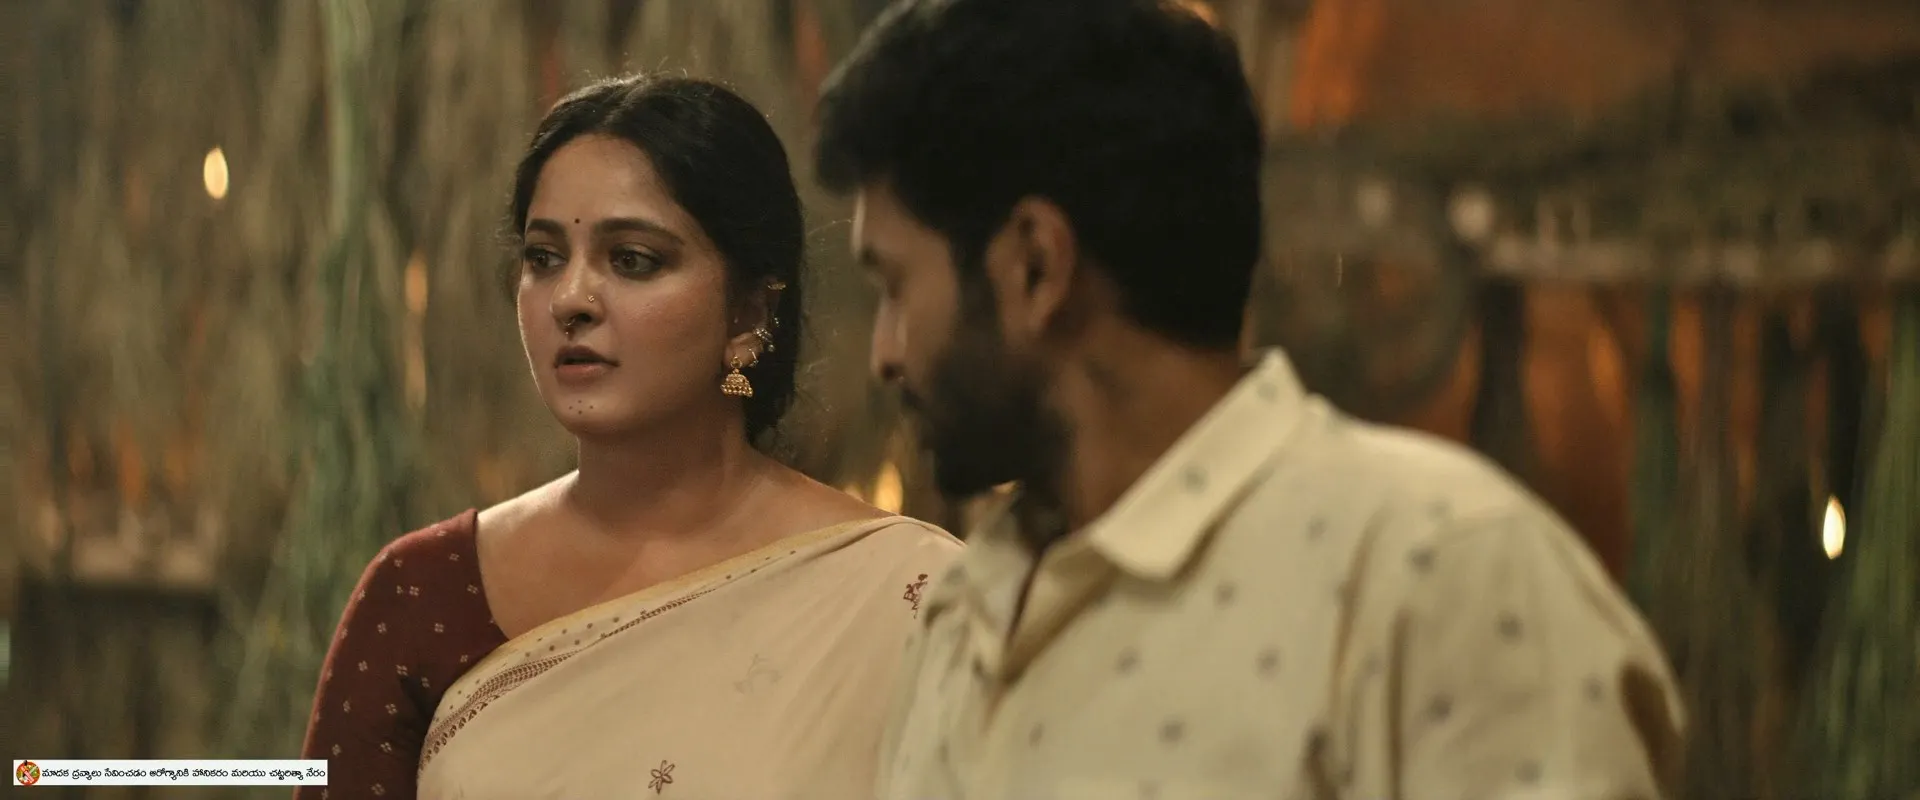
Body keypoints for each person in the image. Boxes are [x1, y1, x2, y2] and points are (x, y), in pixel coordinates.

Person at [813, 1, 1686, 798]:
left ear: (1036, 265)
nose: (885, 354)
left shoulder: (1439, 575)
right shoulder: (966, 611)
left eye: (895, 286)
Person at [299, 74, 962, 800]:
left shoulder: (912, 597)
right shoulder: (424, 593)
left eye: (633, 260)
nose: (570, 299)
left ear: (748, 313)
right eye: (544, 258)